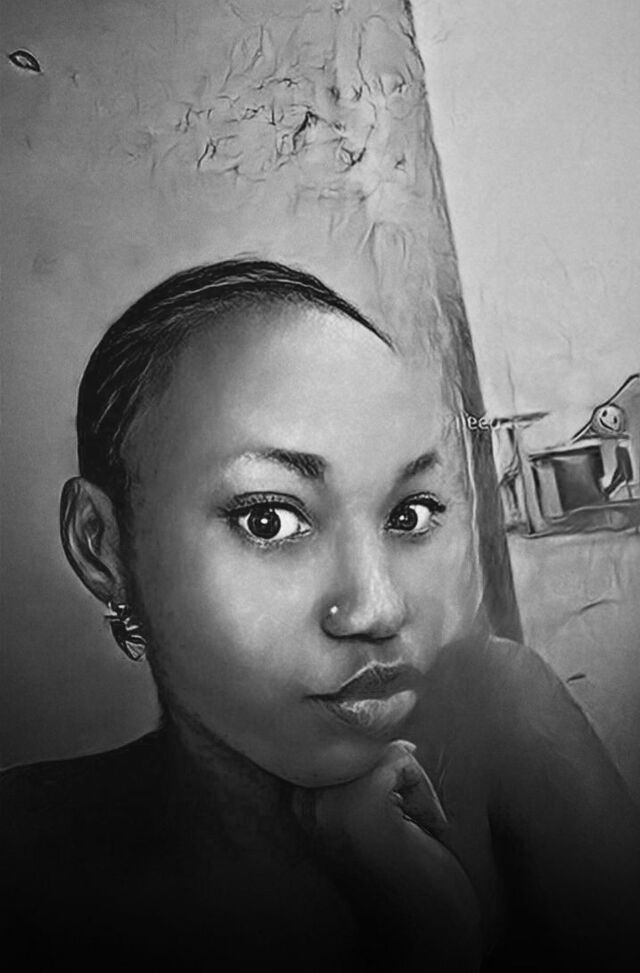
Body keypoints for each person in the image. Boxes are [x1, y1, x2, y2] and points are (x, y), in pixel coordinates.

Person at [1, 258, 638, 971]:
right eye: (268, 520)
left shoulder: (503, 712)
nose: (378, 608)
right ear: (103, 544)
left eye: (409, 513)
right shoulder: (26, 851)